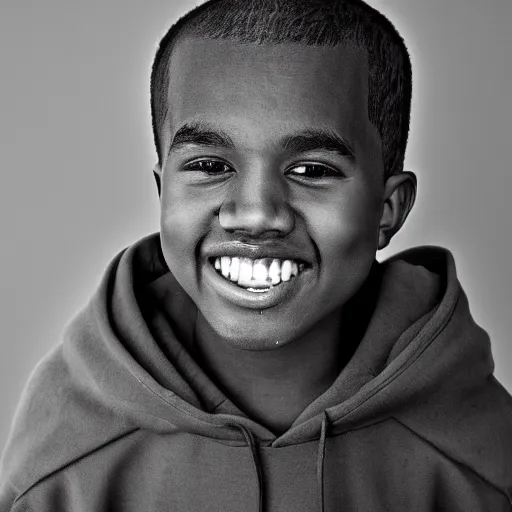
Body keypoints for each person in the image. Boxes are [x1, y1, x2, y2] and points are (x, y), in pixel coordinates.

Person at [2, 0, 511, 510]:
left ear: (387, 208)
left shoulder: (482, 466)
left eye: (311, 170)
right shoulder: (61, 472)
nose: (255, 214)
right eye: (208, 164)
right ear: (163, 192)